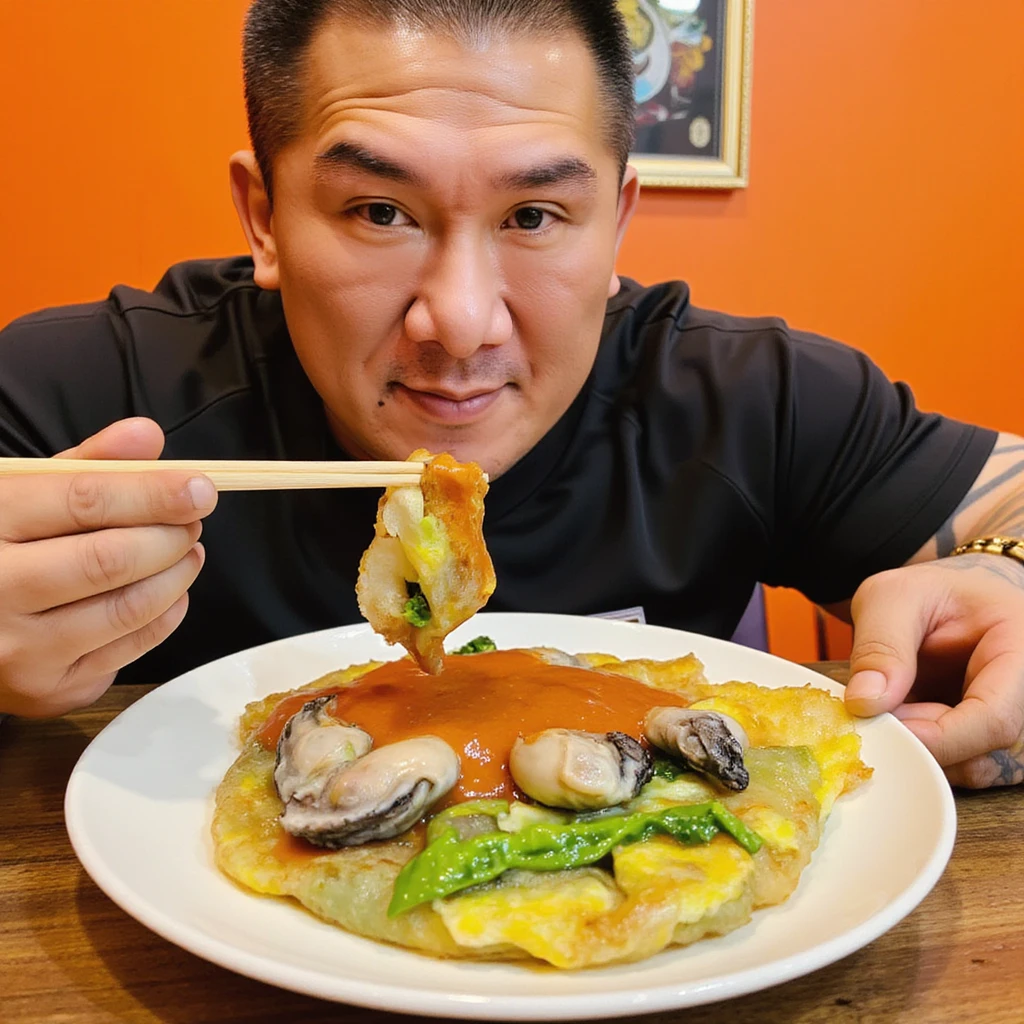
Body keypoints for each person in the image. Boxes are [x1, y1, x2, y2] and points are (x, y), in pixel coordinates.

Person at [0, 0, 1021, 791]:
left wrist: (1008, 579)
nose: (460, 320)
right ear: (264, 216)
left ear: (616, 223)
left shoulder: (754, 397)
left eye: (533, 215)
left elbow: (1006, 506)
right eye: (380, 210)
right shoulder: (79, 403)